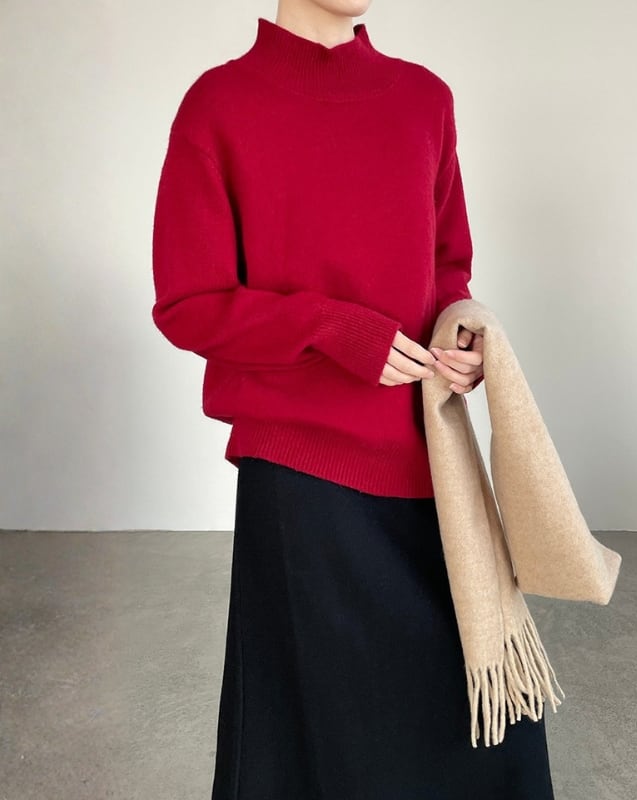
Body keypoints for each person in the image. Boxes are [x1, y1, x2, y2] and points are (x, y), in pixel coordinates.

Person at [151, 1, 556, 797]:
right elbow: (189, 304)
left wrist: (460, 333)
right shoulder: (218, 107)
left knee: (486, 724)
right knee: (325, 733)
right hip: (298, 474)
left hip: (429, 460)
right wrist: (331, 328)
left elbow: (446, 266)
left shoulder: (424, 101)